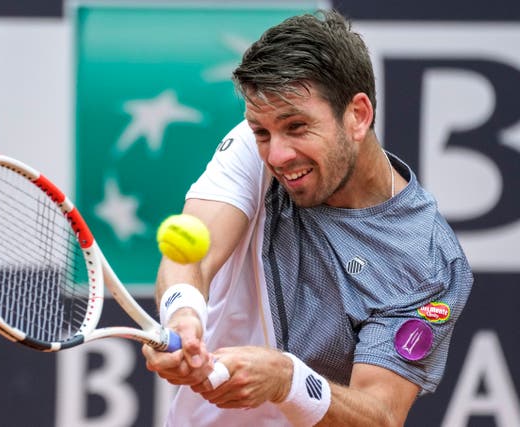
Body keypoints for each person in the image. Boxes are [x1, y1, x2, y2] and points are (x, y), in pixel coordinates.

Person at [142, 9, 473, 427]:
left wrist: (287, 380)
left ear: (358, 115)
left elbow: (382, 414)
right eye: (262, 131)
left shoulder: (426, 262)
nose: (277, 155)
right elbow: (193, 254)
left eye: (297, 127)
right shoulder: (249, 148)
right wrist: (184, 316)